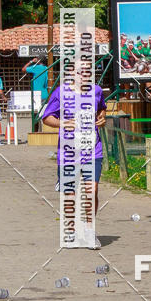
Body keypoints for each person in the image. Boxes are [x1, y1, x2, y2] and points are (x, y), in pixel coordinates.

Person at [42, 72, 107, 249]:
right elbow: (47, 118)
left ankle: (89, 231)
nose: (83, 75)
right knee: (70, 194)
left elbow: (102, 109)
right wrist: (63, 123)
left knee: (91, 190)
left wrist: (102, 119)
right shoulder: (60, 93)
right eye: (79, 72)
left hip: (92, 150)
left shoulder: (97, 91)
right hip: (69, 152)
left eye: (88, 71)